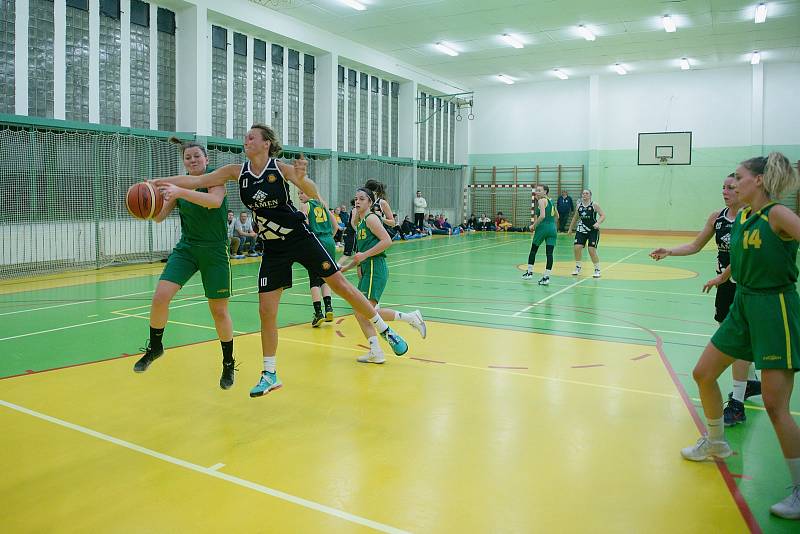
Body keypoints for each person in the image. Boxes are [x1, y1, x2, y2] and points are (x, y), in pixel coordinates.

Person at [154, 123, 409, 398]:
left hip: (299, 238)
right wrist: (155, 183)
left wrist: (302, 177)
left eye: (252, 137)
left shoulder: (280, 168)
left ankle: (384, 329)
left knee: (340, 285)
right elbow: (195, 181)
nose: (246, 140)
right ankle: (269, 374)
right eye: (246, 137)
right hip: (273, 248)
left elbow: (310, 191)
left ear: (266, 143)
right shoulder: (235, 172)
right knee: (266, 311)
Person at [680, 153, 800, 520]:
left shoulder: (777, 214)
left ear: (758, 181)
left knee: (775, 405)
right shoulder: (745, 217)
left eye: (740, 177)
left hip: (774, 306)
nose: (734, 183)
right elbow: (743, 253)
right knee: (703, 373)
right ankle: (716, 442)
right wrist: (723, 276)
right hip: (743, 303)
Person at [650, 174, 761, 426]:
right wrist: (669, 251)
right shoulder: (717, 217)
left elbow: (743, 256)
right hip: (724, 287)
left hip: (744, 286)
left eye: (730, 187)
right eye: (723, 187)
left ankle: (738, 403)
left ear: (743, 189)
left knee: (737, 343)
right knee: (733, 338)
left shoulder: (752, 217)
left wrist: (724, 276)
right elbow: (695, 245)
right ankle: (748, 383)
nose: (725, 191)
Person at [134, 138, 237, 390]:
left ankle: (228, 363)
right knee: (160, 297)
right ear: (184, 162)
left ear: (206, 159)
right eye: (188, 158)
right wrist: (148, 201)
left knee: (219, 312)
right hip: (187, 248)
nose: (192, 160)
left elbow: (213, 202)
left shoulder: (216, 178)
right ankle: (156, 347)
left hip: (214, 251)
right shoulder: (178, 186)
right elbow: (158, 217)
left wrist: (179, 191)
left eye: (196, 156)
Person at [341, 187, 426, 364]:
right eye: (356, 199)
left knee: (364, 312)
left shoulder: (372, 219)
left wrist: (364, 257)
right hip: (367, 269)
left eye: (362, 199)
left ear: (370, 202)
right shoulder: (361, 221)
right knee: (363, 312)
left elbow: (387, 241)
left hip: (375, 268)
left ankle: (407, 321)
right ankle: (377, 350)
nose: (357, 202)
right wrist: (347, 268)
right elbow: (360, 252)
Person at [298, 188, 338, 327]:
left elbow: (304, 224)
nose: (299, 195)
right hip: (329, 241)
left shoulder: (305, 205)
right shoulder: (323, 204)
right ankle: (329, 308)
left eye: (302, 192)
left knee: (314, 278)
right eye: (298, 193)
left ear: (310, 193)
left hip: (316, 241)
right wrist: (329, 238)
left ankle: (318, 313)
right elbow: (336, 226)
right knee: (325, 277)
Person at [522, 184, 558, 285]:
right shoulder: (551, 201)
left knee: (533, 250)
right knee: (549, 254)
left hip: (543, 228)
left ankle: (529, 273)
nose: (536, 192)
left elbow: (542, 216)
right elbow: (557, 215)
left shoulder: (541, 201)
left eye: (539, 190)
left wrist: (533, 226)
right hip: (552, 228)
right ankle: (546, 277)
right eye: (536, 190)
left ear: (545, 192)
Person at [568, 189, 606, 278]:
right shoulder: (579, 206)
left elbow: (603, 215)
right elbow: (575, 218)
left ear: (590, 196)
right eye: (583, 193)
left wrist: (598, 223)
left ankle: (597, 270)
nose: (584, 194)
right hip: (582, 229)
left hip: (593, 230)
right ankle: (578, 267)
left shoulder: (594, 205)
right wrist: (570, 228)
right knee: (577, 248)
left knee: (591, 250)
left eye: (587, 193)